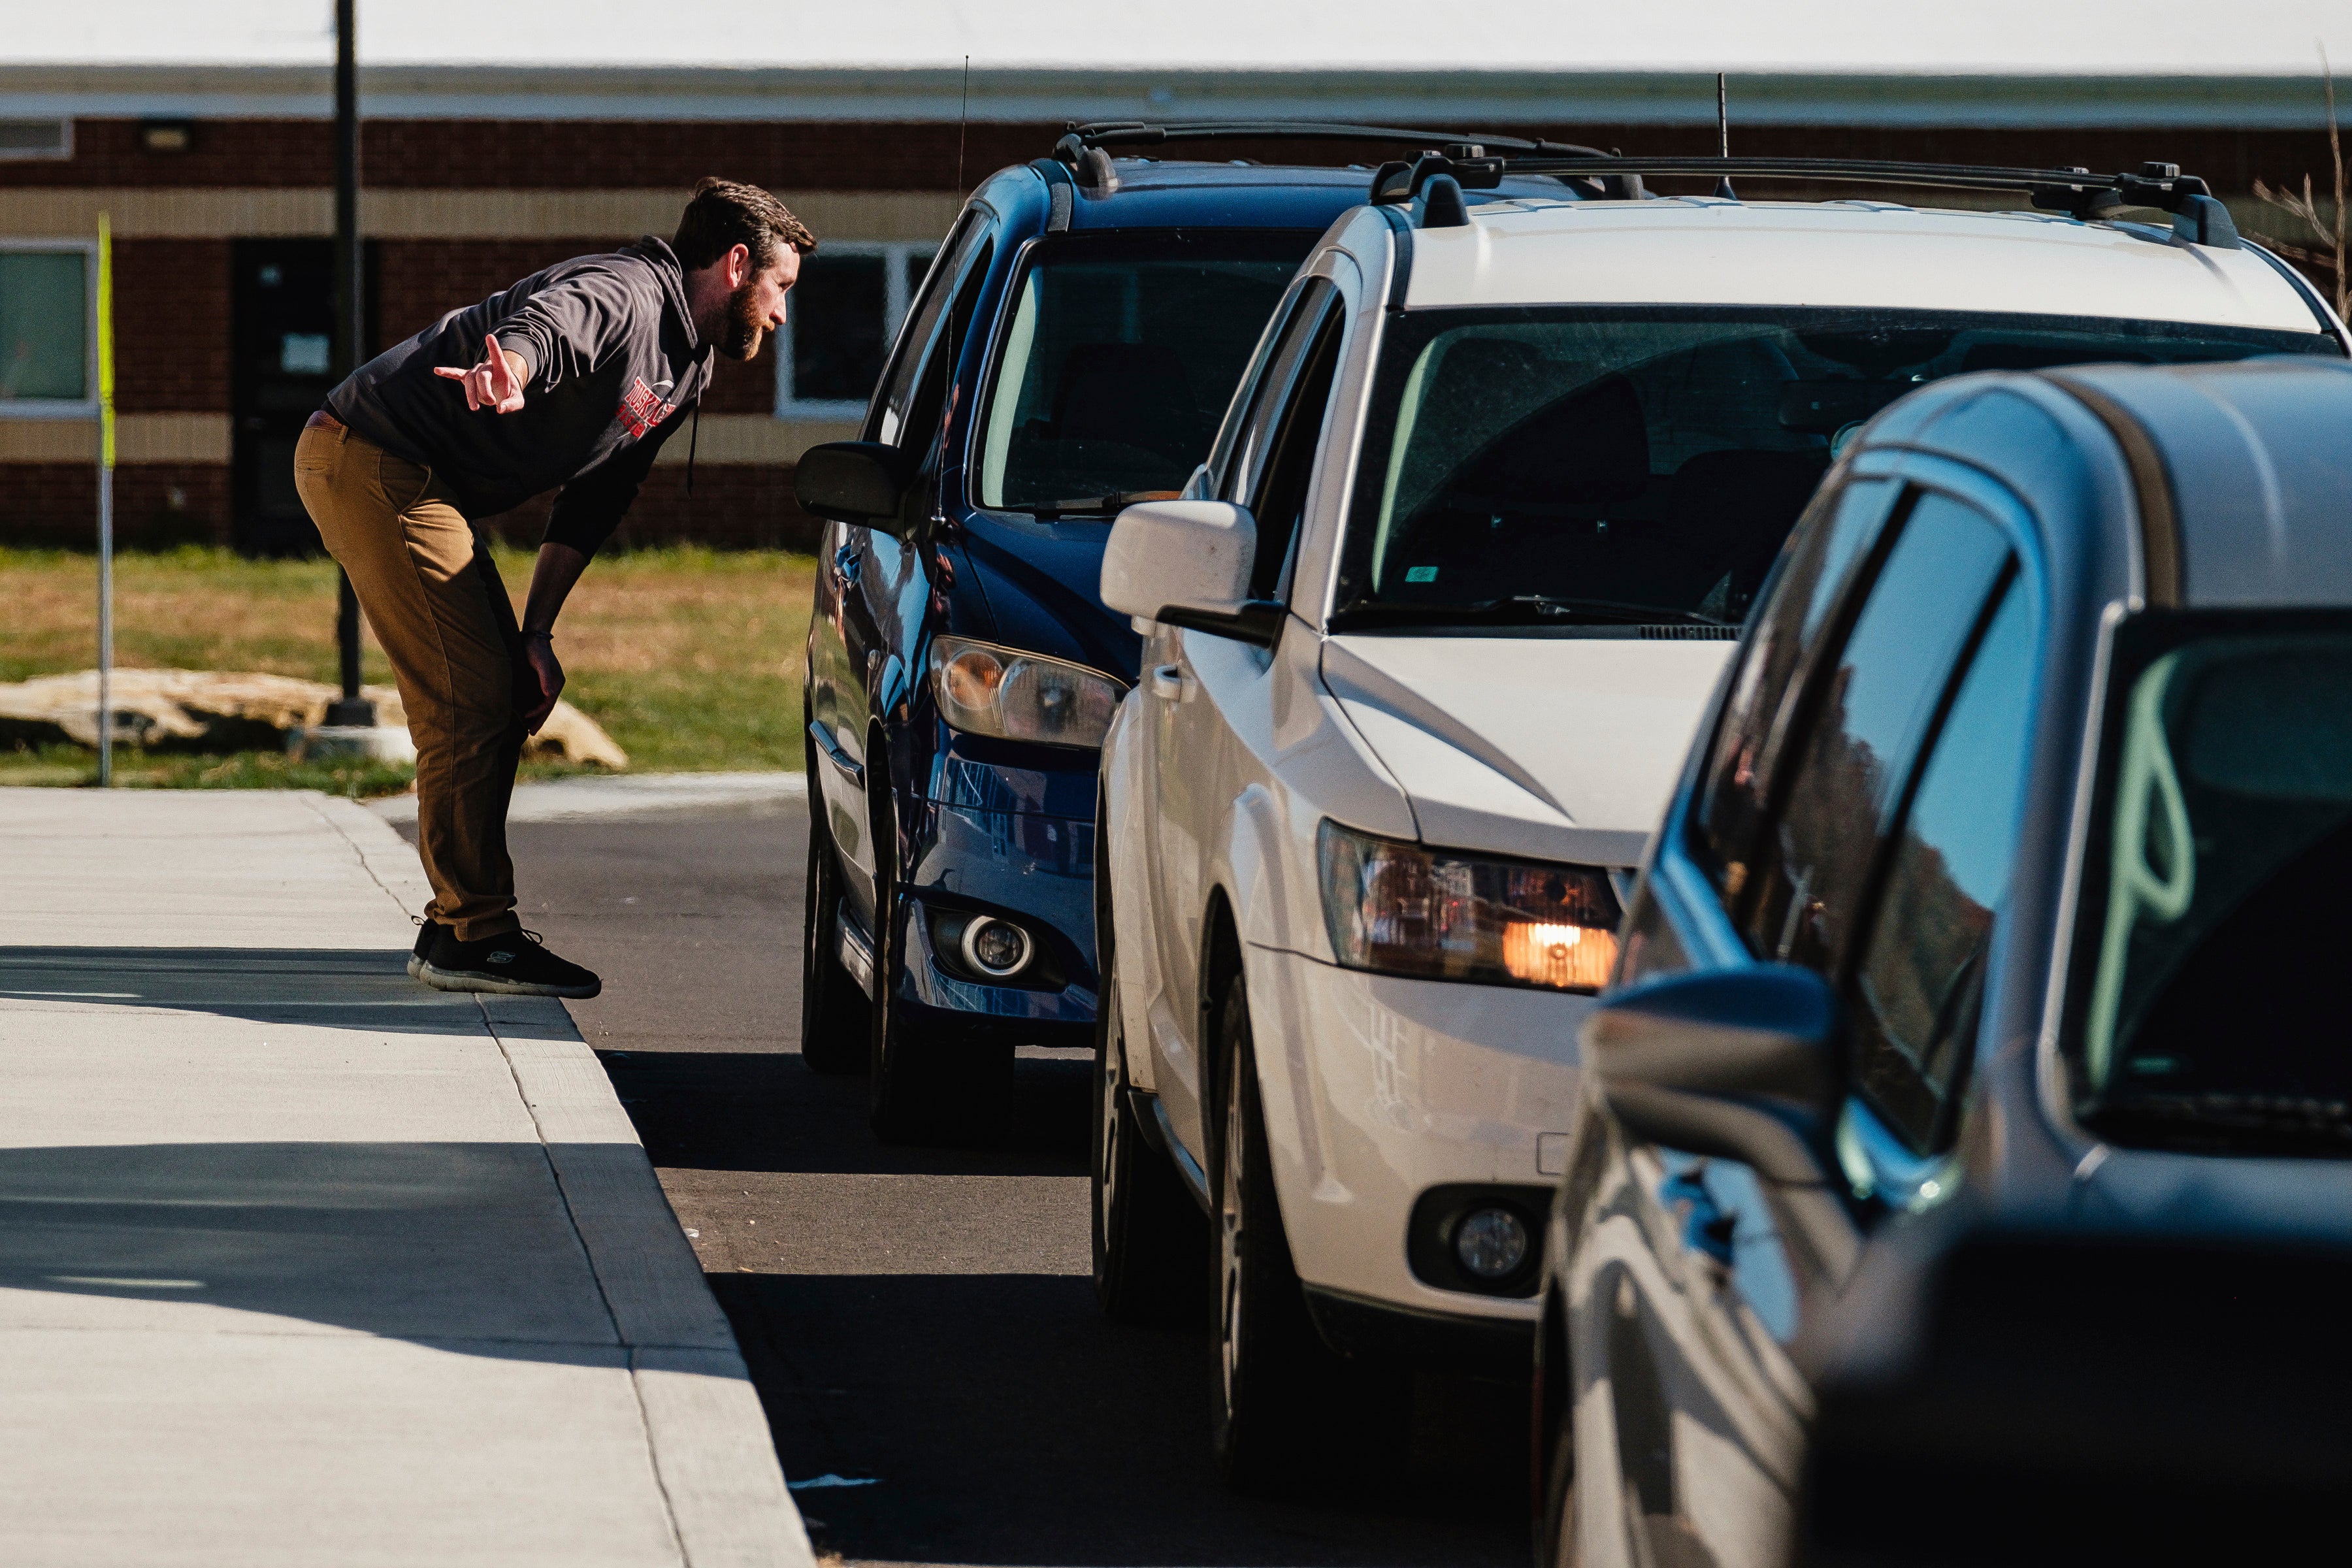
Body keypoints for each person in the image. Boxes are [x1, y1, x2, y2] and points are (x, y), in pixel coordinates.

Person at [294, 178, 814, 998]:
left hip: (416, 478)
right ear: (737, 263)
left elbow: (598, 497)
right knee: (469, 694)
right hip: (370, 457)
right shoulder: (627, 294)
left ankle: (455, 922)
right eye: (780, 288)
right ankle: (475, 933)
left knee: (498, 686)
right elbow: (549, 329)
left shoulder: (690, 367)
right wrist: (516, 371)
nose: (783, 314)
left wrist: (537, 634)